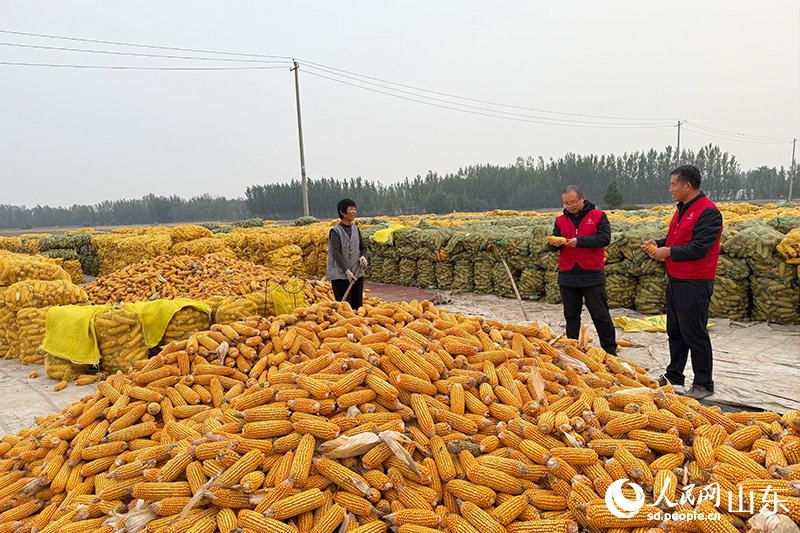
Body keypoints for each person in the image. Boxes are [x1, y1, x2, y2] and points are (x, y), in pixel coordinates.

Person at [642, 165, 722, 400]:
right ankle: (674, 374)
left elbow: (699, 248)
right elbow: (676, 239)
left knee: (694, 332)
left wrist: (668, 252)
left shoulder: (708, 212)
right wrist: (658, 243)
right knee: (675, 330)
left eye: (673, 185)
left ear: (688, 186)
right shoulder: (681, 210)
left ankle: (703, 383)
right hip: (676, 278)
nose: (670, 190)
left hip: (695, 281)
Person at [547, 185, 617, 354]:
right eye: (566, 203)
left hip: (591, 272)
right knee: (571, 316)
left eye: (573, 202)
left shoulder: (598, 216)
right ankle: (572, 349)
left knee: (600, 314)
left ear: (582, 198)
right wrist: (553, 245)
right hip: (568, 273)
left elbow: (604, 239)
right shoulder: (560, 220)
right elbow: (553, 245)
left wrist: (580, 241)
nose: (569, 206)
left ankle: (610, 350)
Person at [326, 198, 368, 309]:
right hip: (340, 276)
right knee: (345, 307)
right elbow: (335, 252)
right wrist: (346, 271)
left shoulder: (356, 230)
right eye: (351, 209)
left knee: (357, 306)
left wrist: (363, 257)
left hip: (357, 273)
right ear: (342, 212)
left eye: (355, 209)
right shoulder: (335, 231)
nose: (354, 212)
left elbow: (363, 248)